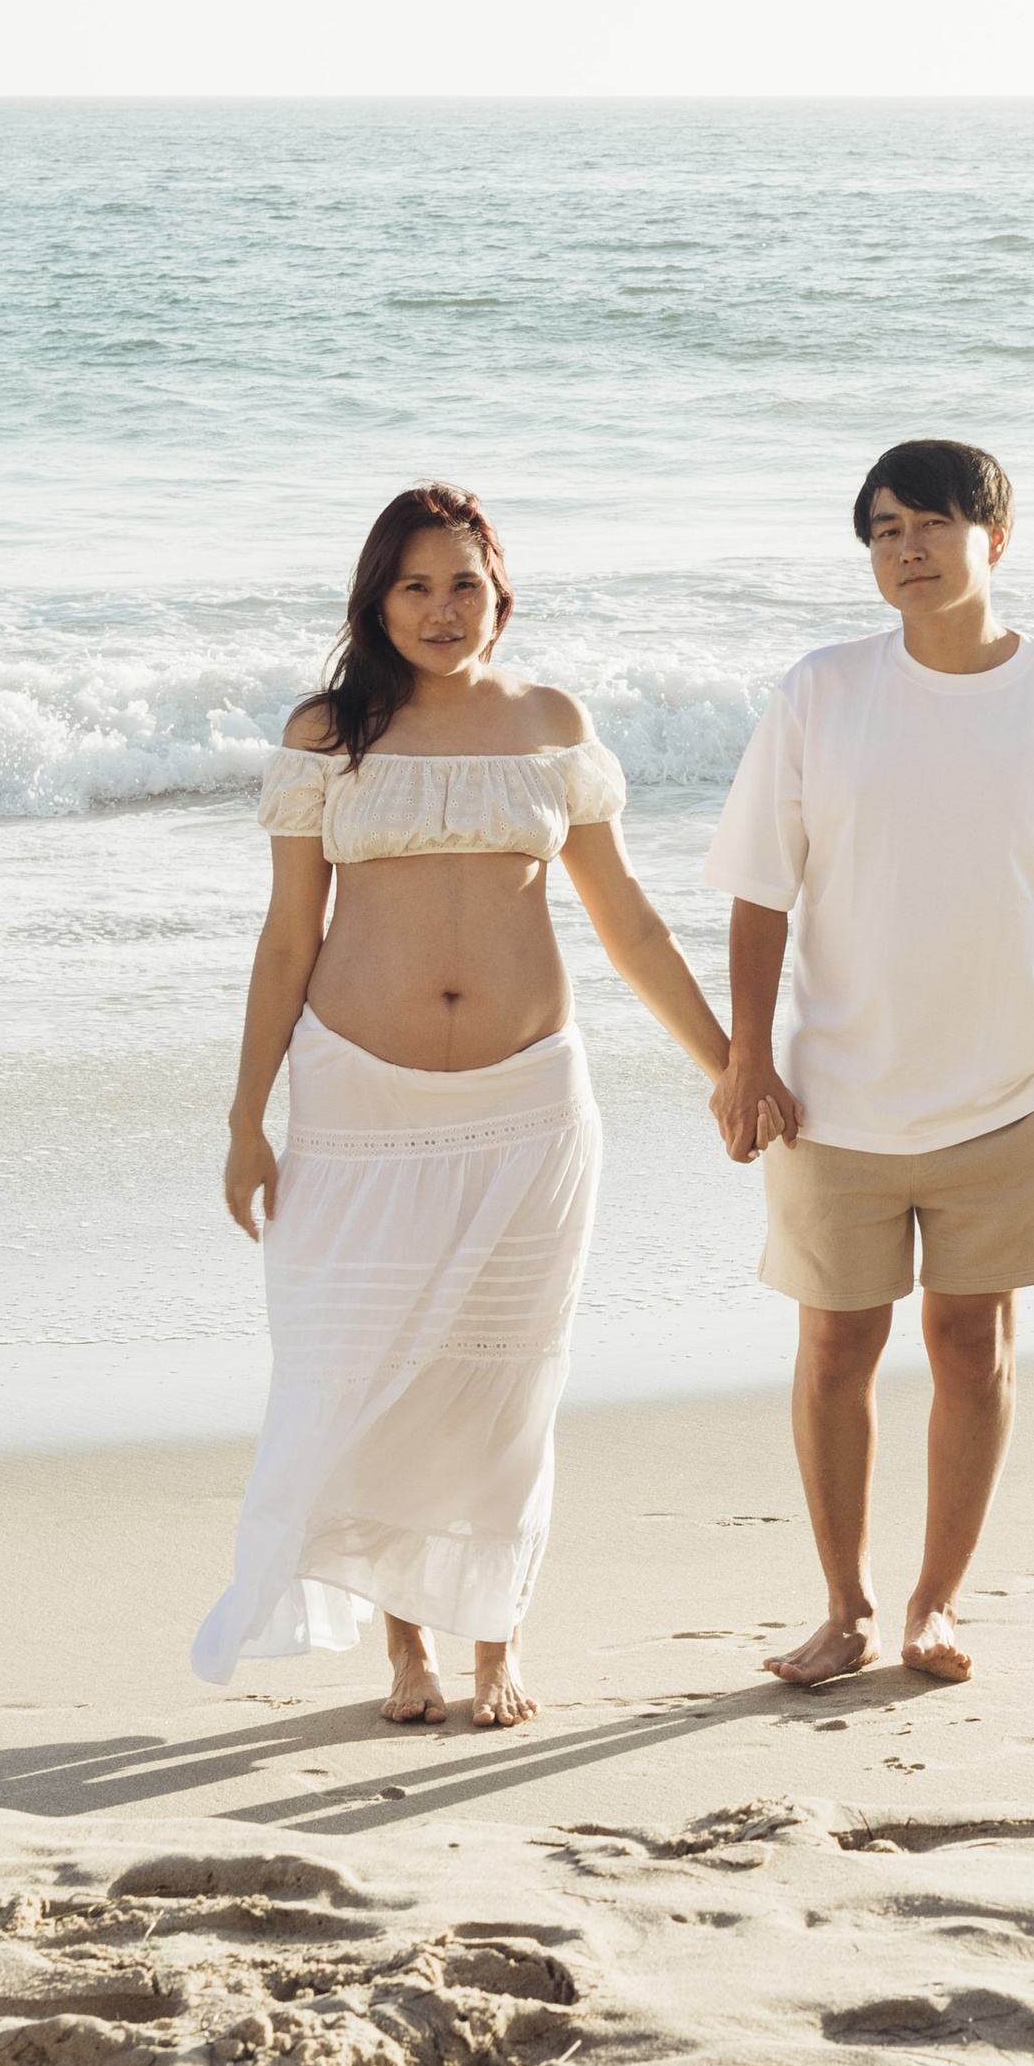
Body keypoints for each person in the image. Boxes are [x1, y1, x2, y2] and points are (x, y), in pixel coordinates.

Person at [193, 481, 732, 1730]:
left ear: (502, 596)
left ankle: (496, 1646)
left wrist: (725, 1063)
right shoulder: (330, 732)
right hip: (355, 1100)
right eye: (415, 586)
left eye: (464, 586)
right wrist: (241, 1119)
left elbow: (628, 921)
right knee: (373, 1367)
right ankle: (407, 1654)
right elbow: (287, 941)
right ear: (377, 599)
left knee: (502, 1381)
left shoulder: (549, 722)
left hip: (529, 1102)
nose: (442, 610)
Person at [704, 438, 1034, 1689]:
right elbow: (756, 892)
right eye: (884, 530)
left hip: (1007, 1095)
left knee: (968, 1344)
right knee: (834, 1349)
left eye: (931, 525)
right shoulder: (822, 692)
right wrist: (745, 1060)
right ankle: (842, 1608)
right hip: (833, 1095)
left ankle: (933, 1608)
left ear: (994, 538)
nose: (907, 550)